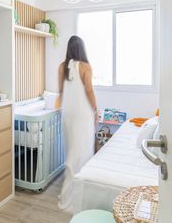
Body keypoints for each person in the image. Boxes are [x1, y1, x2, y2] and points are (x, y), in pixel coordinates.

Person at [57, 35, 98, 212]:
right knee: (81, 154)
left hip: (68, 114)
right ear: (82, 48)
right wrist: (96, 110)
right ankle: (76, 197)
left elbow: (61, 91)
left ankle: (71, 193)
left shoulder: (62, 67)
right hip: (82, 115)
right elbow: (89, 90)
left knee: (72, 151)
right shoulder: (85, 66)